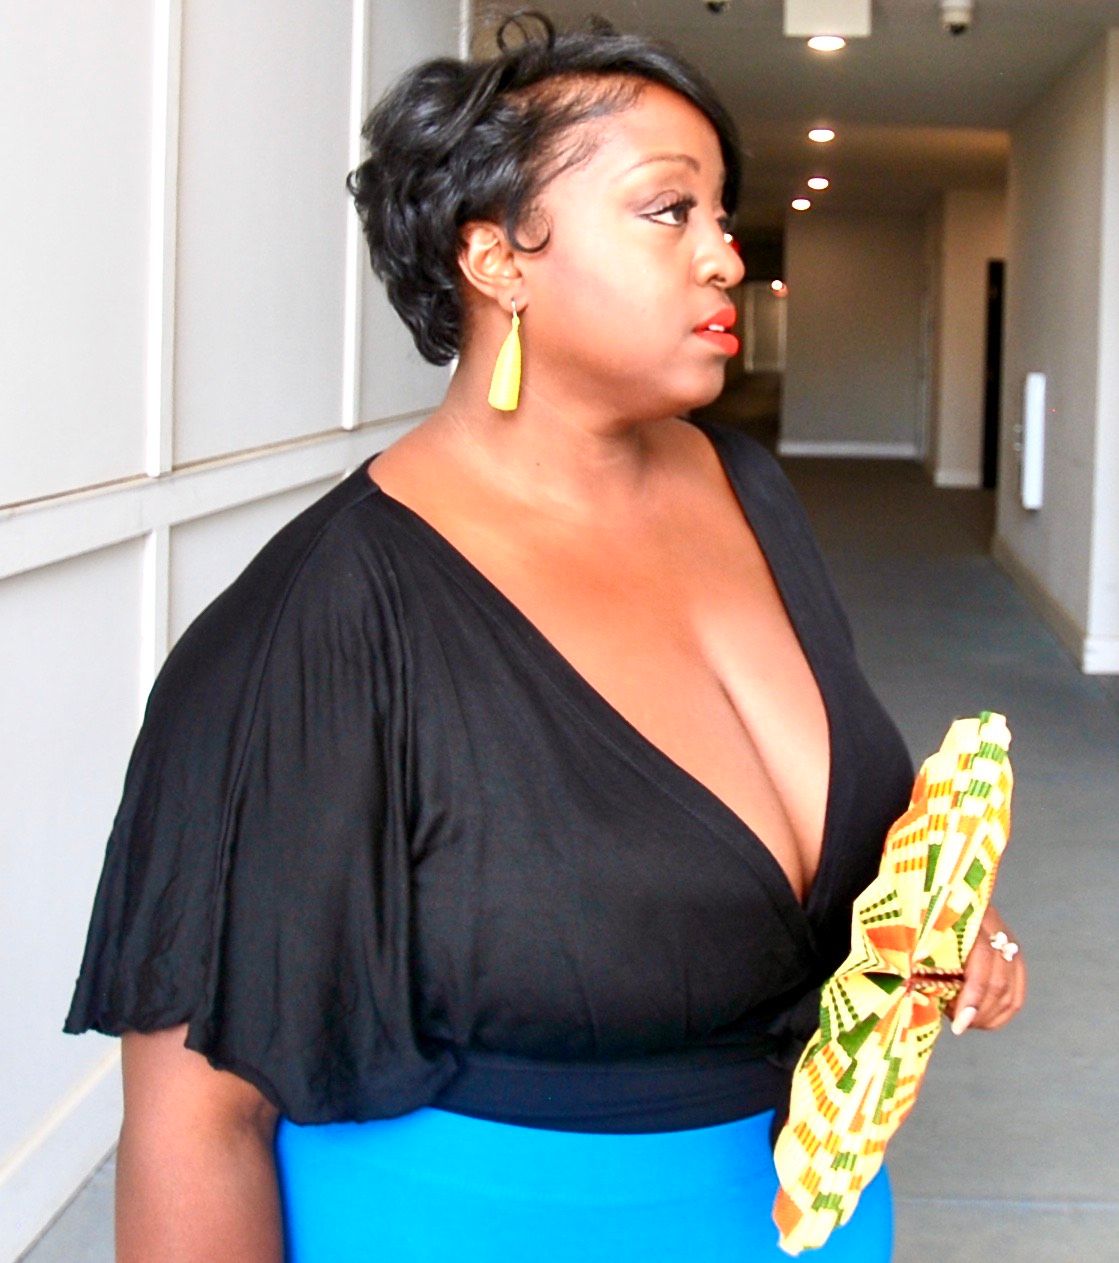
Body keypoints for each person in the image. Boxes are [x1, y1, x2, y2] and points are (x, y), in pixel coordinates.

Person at [65, 12, 1026, 1261]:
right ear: (497, 260)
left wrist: (945, 917)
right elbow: (198, 1126)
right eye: (668, 212)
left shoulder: (747, 489)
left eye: (722, 215)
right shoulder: (319, 627)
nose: (726, 257)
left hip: (814, 1214)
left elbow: (830, 825)